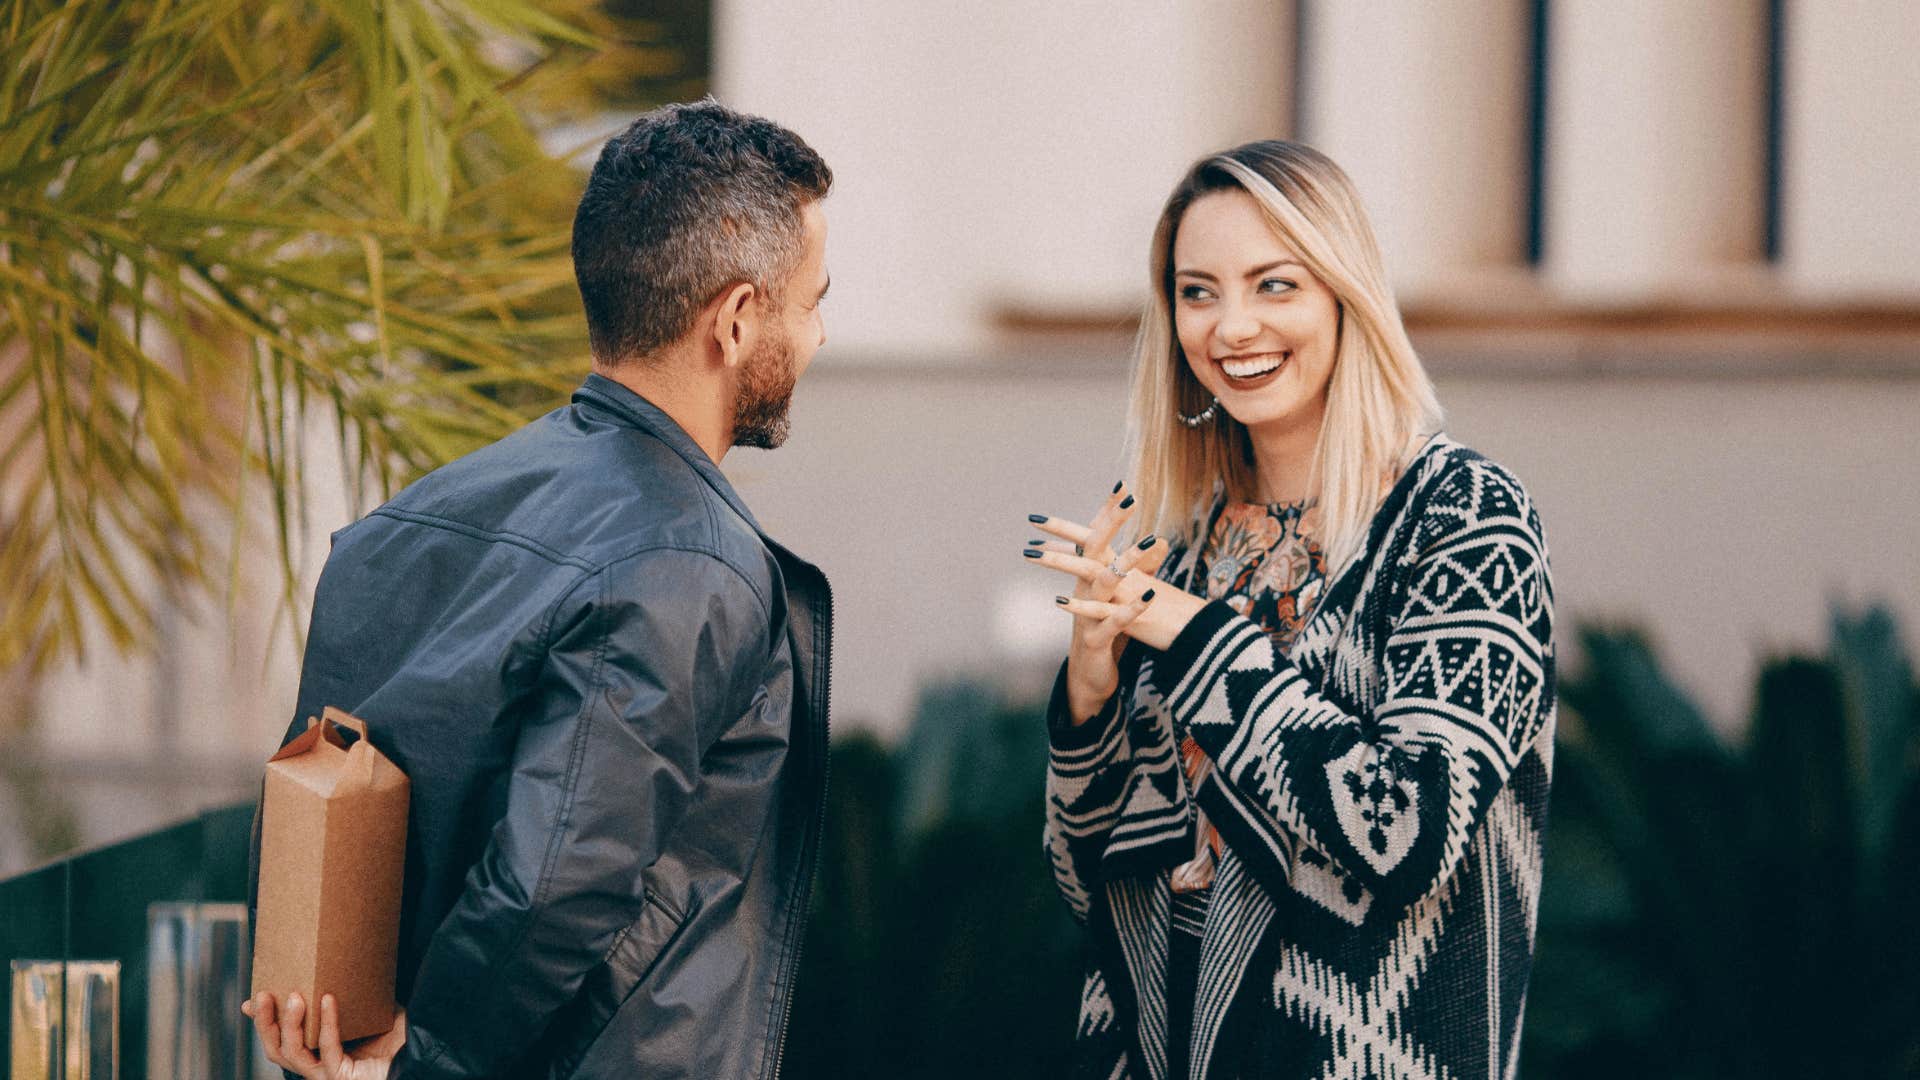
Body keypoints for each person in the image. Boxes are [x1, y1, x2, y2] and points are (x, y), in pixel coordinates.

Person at [242, 99, 836, 1080]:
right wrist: (421, 1066)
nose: (818, 334)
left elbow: (329, 778)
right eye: (814, 298)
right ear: (735, 319)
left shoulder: (420, 513)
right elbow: (552, 882)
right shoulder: (692, 560)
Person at [1024, 140, 1556, 1078]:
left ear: (1346, 297)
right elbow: (1087, 882)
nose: (1231, 327)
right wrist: (1091, 697)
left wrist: (1195, 639)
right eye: (1198, 292)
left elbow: (1409, 829)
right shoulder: (1180, 548)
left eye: (1275, 285)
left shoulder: (1465, 520)